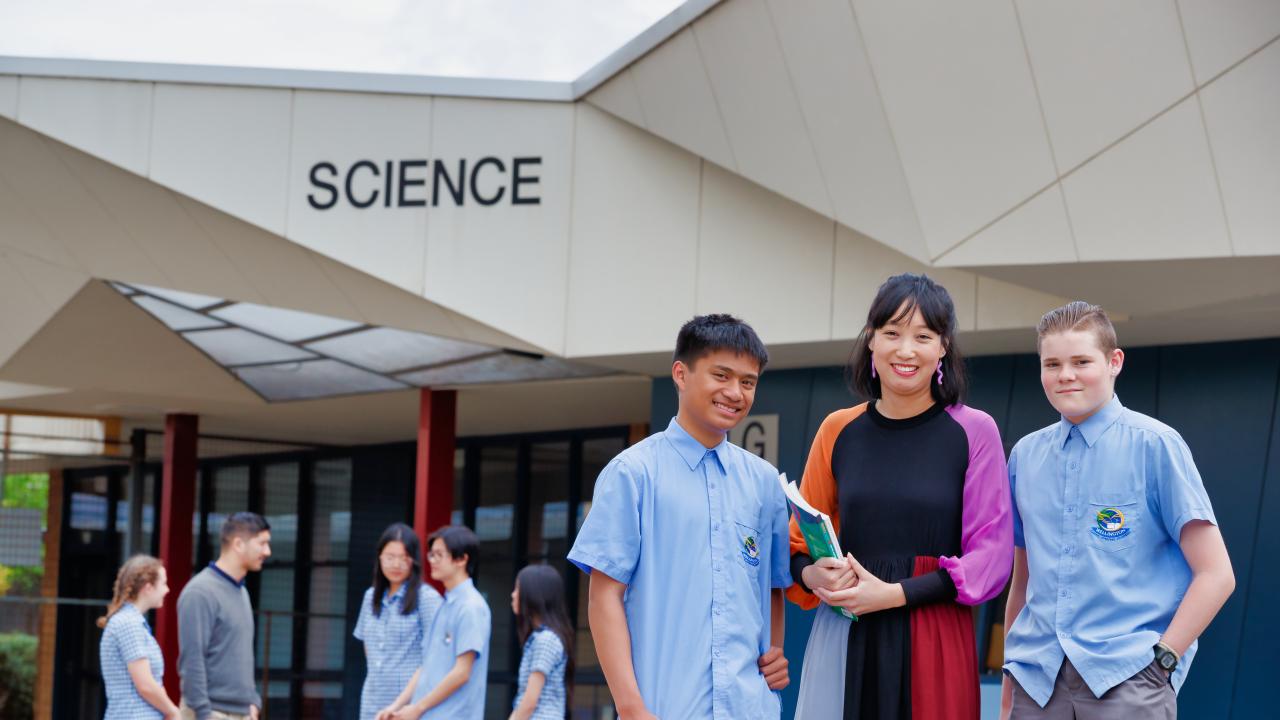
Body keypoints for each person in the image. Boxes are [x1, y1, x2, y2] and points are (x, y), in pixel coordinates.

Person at [787, 273, 1013, 719]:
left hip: (935, 633)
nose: (905, 350)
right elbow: (797, 544)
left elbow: (992, 555)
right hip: (846, 629)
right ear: (871, 340)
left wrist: (894, 594)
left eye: (923, 336)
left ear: (943, 346)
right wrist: (815, 576)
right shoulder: (837, 429)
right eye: (891, 333)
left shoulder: (975, 431)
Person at [1001, 301, 1235, 719]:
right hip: (1036, 683)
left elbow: (1217, 574)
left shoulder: (1156, 446)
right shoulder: (1024, 457)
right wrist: (1009, 684)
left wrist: (1163, 661)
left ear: (1114, 362)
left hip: (1126, 680)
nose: (1065, 375)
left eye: (1081, 361)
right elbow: (1023, 581)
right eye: (1051, 363)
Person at [567, 313, 792, 720]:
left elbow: (772, 586)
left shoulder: (764, 483)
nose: (735, 392)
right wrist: (631, 707)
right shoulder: (632, 473)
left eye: (748, 382)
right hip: (663, 708)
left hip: (749, 709)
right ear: (681, 374)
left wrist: (775, 651)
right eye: (721, 375)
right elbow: (603, 597)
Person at [379, 525, 491, 720]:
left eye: (440, 555)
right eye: (432, 555)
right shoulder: (444, 604)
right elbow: (426, 666)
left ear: (462, 559)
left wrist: (418, 708)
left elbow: (462, 672)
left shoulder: (471, 607)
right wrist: (397, 706)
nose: (433, 561)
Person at [177, 512, 271, 720]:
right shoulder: (200, 592)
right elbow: (192, 661)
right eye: (262, 543)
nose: (267, 551)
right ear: (238, 544)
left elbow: (240, 654)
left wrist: (253, 702)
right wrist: (203, 714)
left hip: (241, 712)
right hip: (210, 713)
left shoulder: (241, 591)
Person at [354, 523, 443, 720]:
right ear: (380, 557)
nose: (396, 565)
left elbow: (434, 658)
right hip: (372, 703)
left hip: (409, 708)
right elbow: (368, 646)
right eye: (390, 557)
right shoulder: (370, 597)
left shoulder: (427, 598)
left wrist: (402, 703)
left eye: (404, 558)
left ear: (414, 561)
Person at [99, 554, 181, 720]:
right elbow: (145, 685)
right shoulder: (129, 624)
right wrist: (172, 711)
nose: (167, 590)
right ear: (148, 587)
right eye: (163, 583)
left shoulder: (130, 622)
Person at [508, 564, 574, 720]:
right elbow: (524, 700)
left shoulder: (545, 640)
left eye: (517, 589)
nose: (513, 595)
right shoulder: (540, 638)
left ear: (533, 595)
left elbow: (530, 701)